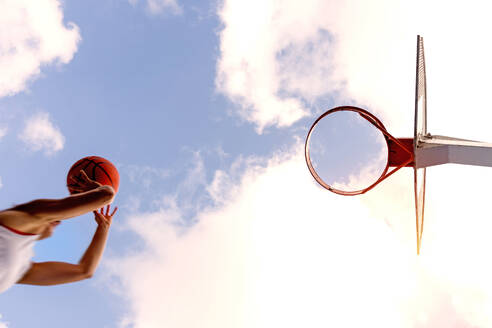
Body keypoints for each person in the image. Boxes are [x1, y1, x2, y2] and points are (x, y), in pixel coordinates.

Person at [0, 170, 117, 293]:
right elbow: (106, 196)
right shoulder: (18, 219)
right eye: (56, 218)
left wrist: (103, 227)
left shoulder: (22, 268)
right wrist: (96, 190)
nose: (59, 222)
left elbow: (84, 271)